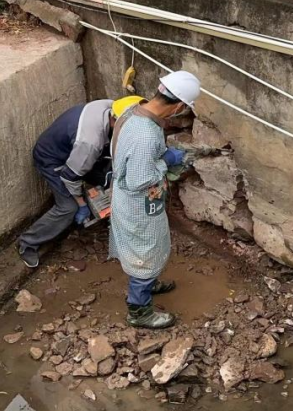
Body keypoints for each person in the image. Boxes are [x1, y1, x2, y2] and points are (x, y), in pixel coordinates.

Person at [110, 71, 201, 330]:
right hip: (138, 204)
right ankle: (139, 311)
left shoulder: (132, 111)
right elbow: (139, 180)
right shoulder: (147, 135)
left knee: (148, 249)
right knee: (144, 254)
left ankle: (148, 282)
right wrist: (166, 161)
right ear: (179, 106)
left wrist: (158, 157)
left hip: (128, 198)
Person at [18, 95, 143, 269]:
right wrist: (81, 204)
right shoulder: (90, 143)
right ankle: (27, 243)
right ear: (117, 120)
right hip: (52, 159)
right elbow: (69, 177)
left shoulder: (111, 106)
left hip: (73, 150)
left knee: (107, 177)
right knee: (68, 208)